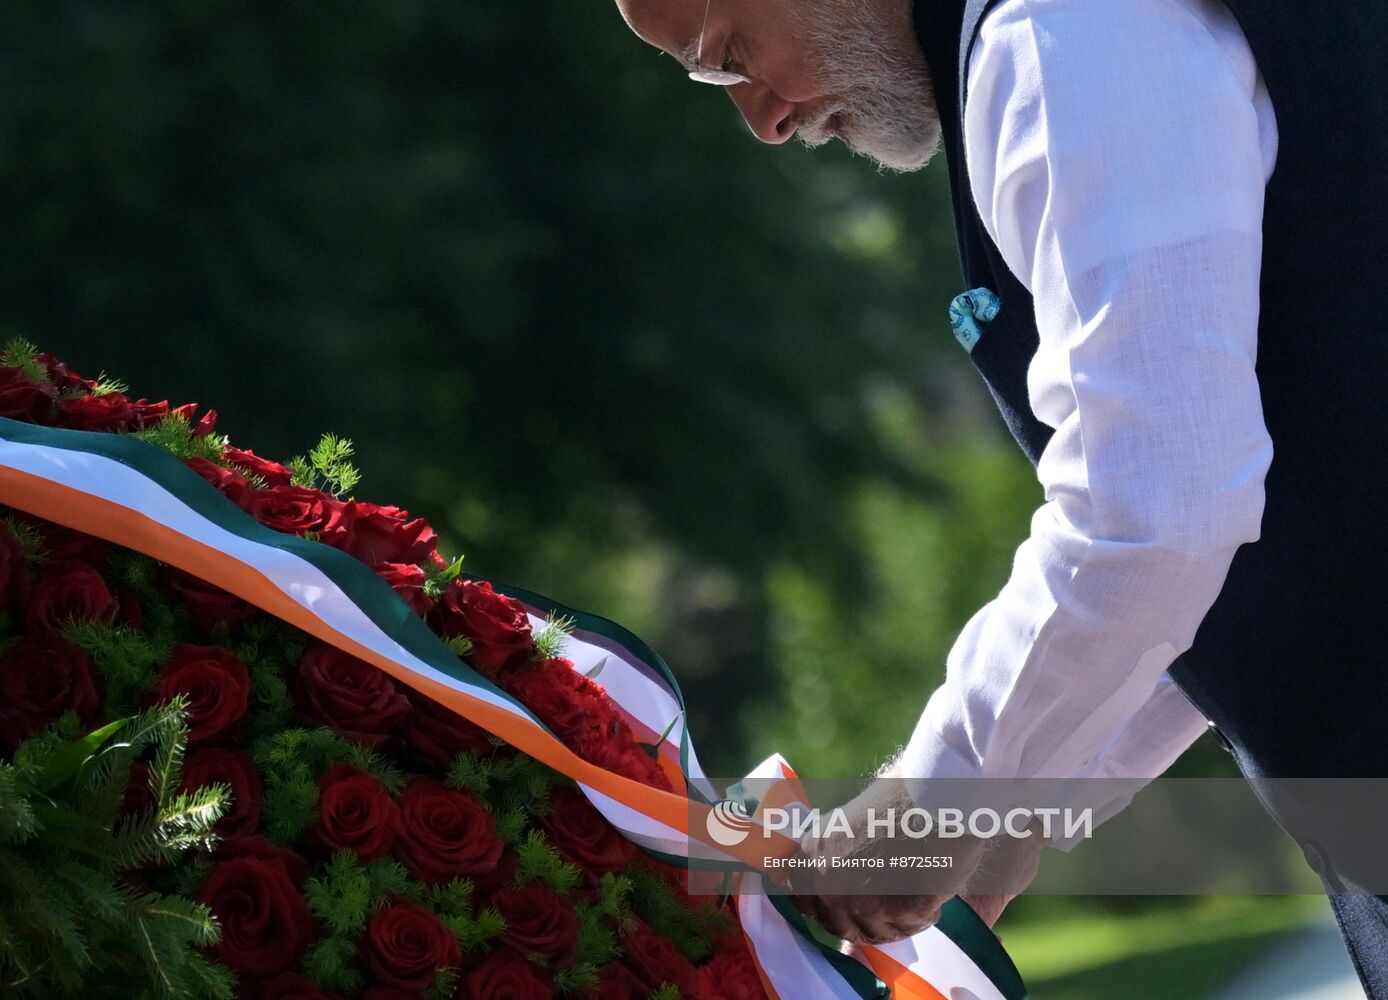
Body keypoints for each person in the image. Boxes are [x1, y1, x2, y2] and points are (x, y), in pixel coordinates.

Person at [611, 0, 1388, 992]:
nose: (759, 119)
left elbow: (1154, 512)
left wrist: (931, 808)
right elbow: (1249, 522)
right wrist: (1011, 805)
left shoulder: (1060, 31)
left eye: (729, 58)